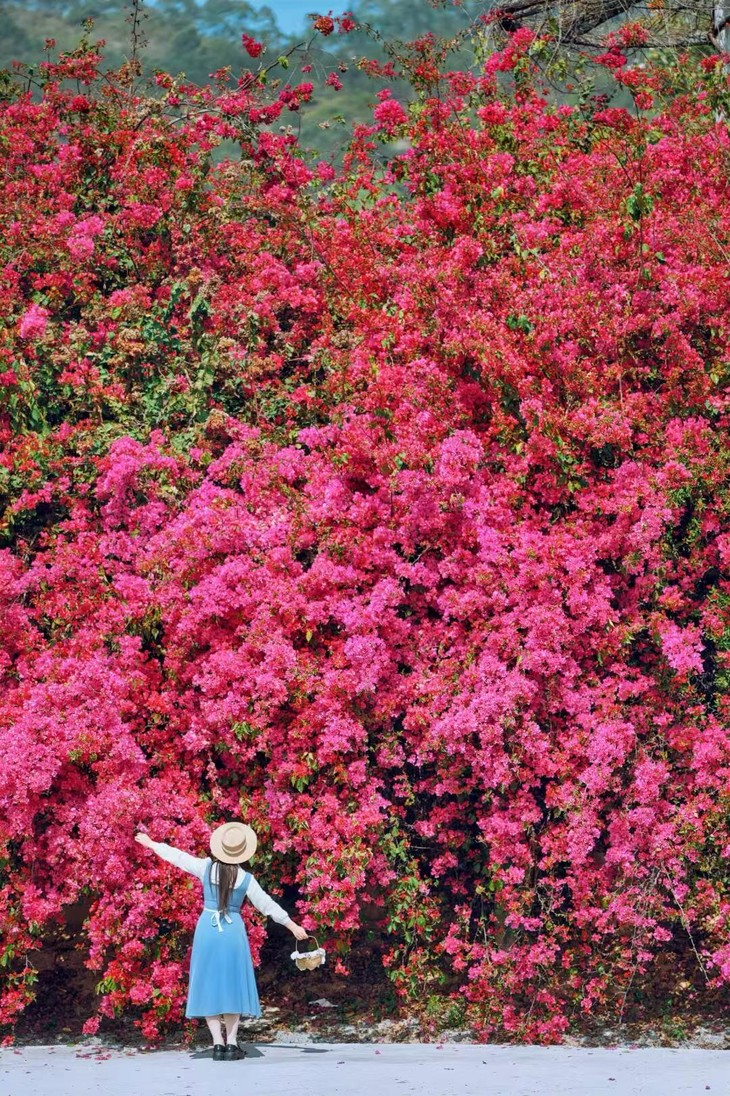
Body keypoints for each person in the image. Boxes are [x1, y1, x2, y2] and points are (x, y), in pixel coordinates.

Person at [135, 820, 308, 1061]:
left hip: (208, 928)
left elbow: (179, 857)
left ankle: (217, 1043)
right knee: (232, 985)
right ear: (242, 852)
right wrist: (292, 925)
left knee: (209, 984)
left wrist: (152, 844)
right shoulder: (245, 878)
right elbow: (267, 905)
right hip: (232, 931)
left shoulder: (206, 868)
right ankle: (232, 1043)